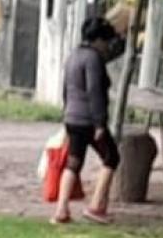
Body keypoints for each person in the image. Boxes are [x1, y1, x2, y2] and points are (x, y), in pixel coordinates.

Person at [52, 16, 122, 225]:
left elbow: (66, 89)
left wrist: (66, 114)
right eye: (105, 41)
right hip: (89, 120)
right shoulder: (93, 58)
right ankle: (96, 206)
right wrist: (100, 123)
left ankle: (61, 210)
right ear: (98, 40)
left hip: (72, 117)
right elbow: (95, 91)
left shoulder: (73, 56)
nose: (107, 46)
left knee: (74, 162)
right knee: (112, 157)